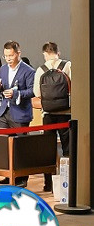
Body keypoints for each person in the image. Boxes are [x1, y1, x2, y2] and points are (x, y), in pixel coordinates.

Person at [0, 41, 35, 186]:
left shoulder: (28, 71)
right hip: (4, 112)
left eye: (11, 55)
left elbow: (32, 91)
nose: (8, 59)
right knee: (3, 146)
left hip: (20, 113)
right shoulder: (3, 69)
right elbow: (2, 87)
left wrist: (16, 93)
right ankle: (8, 175)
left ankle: (22, 178)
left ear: (18, 53)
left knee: (20, 147)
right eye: (6, 56)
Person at [33, 41, 71, 192]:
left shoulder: (41, 69)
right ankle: (69, 182)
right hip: (66, 113)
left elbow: (37, 93)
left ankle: (48, 184)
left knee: (48, 149)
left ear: (45, 54)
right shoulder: (67, 65)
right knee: (68, 148)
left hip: (48, 114)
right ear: (58, 52)